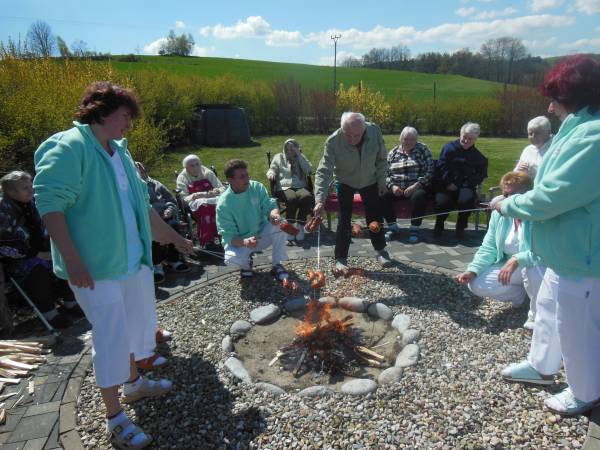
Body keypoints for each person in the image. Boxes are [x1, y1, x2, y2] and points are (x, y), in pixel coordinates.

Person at [33, 81, 194, 449]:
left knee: (136, 326)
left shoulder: (119, 151)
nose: (129, 124)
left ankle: (134, 384)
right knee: (110, 337)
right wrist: (73, 260)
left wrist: (175, 238)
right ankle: (115, 419)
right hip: (95, 269)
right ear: (101, 112)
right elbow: (50, 205)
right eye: (124, 116)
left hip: (132, 261)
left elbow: (143, 208)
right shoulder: (70, 147)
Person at [494, 55, 600, 416]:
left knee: (576, 328)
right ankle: (541, 366)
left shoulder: (593, 136)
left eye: (555, 98)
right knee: (548, 309)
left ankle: (585, 391)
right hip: (562, 252)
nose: (550, 107)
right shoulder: (577, 128)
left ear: (576, 96)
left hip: (582, 255)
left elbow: (553, 196)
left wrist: (508, 205)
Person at [456, 172, 542, 329]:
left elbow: (542, 252)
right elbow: (489, 247)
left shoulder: (539, 216)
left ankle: (537, 313)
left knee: (533, 272)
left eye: (513, 195)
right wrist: (473, 270)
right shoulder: (499, 215)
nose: (506, 199)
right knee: (476, 284)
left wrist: (517, 260)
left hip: (535, 265)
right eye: (505, 194)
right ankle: (522, 296)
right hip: (509, 265)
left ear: (529, 195)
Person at [0, 171, 80, 329]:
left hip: (42, 250)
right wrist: (37, 254)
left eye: (31, 186)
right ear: (11, 192)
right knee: (37, 270)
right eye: (25, 188)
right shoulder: (3, 210)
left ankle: (71, 302)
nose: (31, 190)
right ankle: (49, 312)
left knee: (62, 258)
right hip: (17, 258)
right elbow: (4, 244)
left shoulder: (33, 201)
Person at [313, 112, 391, 271]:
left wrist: (382, 181)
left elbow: (382, 159)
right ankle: (341, 257)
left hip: (369, 180)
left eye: (357, 135)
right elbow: (324, 171)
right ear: (342, 129)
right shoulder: (333, 141)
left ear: (364, 129)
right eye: (347, 135)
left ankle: (381, 251)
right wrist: (320, 200)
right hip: (345, 181)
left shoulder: (374, 132)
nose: (353, 139)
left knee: (375, 216)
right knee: (344, 218)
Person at [217, 159, 289, 280]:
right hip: (241, 242)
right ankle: (246, 266)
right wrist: (245, 242)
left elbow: (270, 206)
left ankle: (277, 264)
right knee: (231, 259)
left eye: (247, 175)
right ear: (230, 180)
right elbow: (229, 236)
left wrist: (274, 215)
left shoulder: (256, 187)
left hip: (261, 235)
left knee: (282, 224)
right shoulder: (223, 204)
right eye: (242, 176)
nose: (247, 179)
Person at [135, 162, 190, 284]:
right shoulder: (135, 188)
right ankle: (157, 264)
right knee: (153, 232)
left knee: (174, 225)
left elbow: (170, 199)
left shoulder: (156, 184)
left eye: (142, 171)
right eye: (138, 172)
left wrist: (169, 209)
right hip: (148, 219)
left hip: (165, 215)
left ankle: (173, 260)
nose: (141, 174)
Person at [434, 122, 488, 239]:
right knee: (442, 201)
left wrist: (462, 183)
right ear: (460, 134)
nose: (467, 141)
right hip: (446, 184)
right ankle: (439, 225)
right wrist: (449, 183)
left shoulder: (478, 157)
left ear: (475, 139)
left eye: (471, 139)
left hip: (465, 186)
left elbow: (480, 176)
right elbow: (441, 168)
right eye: (465, 137)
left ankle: (461, 227)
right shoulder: (449, 148)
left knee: (466, 200)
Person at [382, 126, 434, 244]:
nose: (409, 142)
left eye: (412, 139)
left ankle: (414, 229)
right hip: (397, 187)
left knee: (419, 196)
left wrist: (416, 185)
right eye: (406, 139)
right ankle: (393, 227)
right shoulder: (393, 152)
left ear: (416, 139)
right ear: (401, 139)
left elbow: (430, 170)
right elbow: (385, 173)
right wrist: (392, 186)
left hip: (416, 186)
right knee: (383, 196)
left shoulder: (423, 150)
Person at [266, 138, 314, 242]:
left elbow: (309, 170)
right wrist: (271, 173)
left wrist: (299, 155)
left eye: (292, 149)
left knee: (306, 197)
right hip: (284, 186)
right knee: (291, 198)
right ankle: (290, 227)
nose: (289, 151)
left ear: (297, 148)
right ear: (284, 148)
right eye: (287, 149)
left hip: (300, 186)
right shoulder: (279, 157)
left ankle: (300, 225)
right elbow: (273, 168)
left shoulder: (300, 157)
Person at [176, 154, 225, 249]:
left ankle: (224, 234)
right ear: (186, 167)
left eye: (197, 164)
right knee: (205, 207)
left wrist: (215, 192)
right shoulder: (182, 178)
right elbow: (184, 197)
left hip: (212, 197)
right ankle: (208, 239)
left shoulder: (208, 173)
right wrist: (196, 195)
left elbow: (221, 188)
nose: (195, 167)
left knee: (222, 205)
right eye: (191, 165)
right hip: (196, 202)